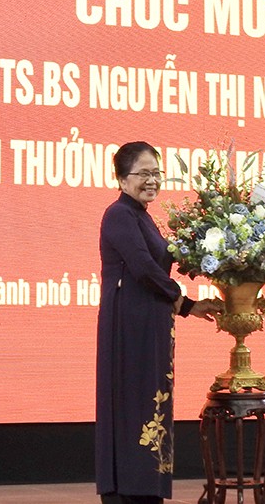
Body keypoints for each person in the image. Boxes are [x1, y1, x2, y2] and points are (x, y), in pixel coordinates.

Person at [95, 141, 221, 504]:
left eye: (156, 173)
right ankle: (127, 489)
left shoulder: (143, 215)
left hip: (150, 320)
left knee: (151, 398)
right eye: (143, 173)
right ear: (121, 178)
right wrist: (187, 303)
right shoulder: (118, 214)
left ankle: (145, 485)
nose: (152, 180)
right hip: (128, 324)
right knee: (132, 399)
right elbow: (144, 268)